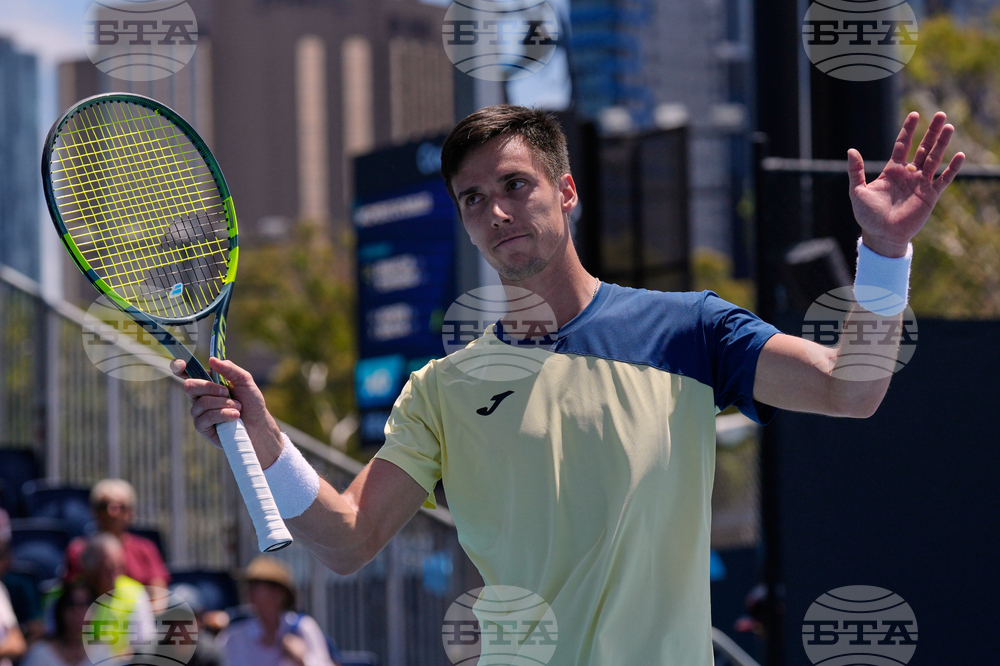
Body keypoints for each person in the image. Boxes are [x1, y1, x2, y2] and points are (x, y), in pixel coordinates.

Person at [173, 106, 964, 663]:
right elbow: (348, 539)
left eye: (515, 184)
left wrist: (886, 255)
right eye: (473, 200)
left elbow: (850, 390)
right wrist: (269, 440)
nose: (496, 211)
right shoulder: (440, 389)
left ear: (567, 191)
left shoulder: (689, 329)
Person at [216, 556, 336, 666]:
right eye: (249, 584)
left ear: (278, 593)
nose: (248, 590)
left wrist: (303, 658)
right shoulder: (235, 633)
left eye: (256, 584)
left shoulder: (303, 627)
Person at [63, 479, 170, 593]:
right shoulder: (78, 550)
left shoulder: (145, 548)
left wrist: (145, 610)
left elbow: (159, 591)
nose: (112, 512)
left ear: (131, 512)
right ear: (94, 511)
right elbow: (75, 593)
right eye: (104, 506)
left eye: (121, 507)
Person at [77, 533, 156, 664]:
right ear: (90, 571)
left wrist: (130, 654)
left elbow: (145, 644)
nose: (115, 577)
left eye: (119, 568)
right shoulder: (69, 597)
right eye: (108, 570)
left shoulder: (135, 593)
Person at [19, 582, 94, 666]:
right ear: (60, 610)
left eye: (84, 604)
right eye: (71, 604)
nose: (78, 611)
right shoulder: (39, 654)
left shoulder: (103, 652)